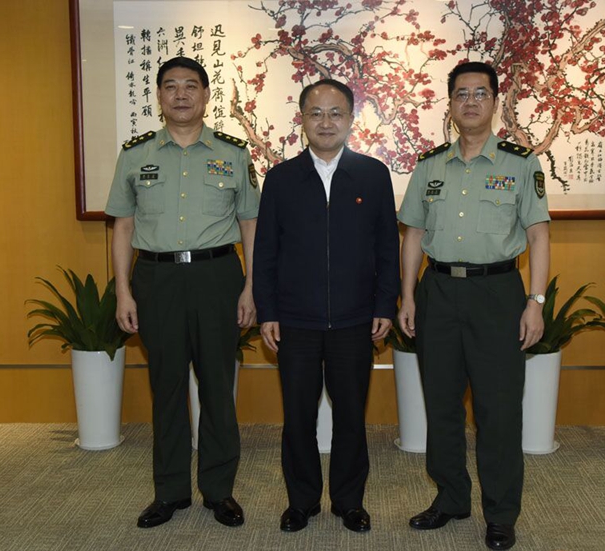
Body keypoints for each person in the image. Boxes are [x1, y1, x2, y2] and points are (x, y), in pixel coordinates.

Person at [397, 61, 550, 551]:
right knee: (441, 404)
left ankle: (501, 513)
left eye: (480, 93)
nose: (470, 102)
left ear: (496, 102)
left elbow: (538, 235)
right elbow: (413, 234)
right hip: (438, 292)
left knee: (498, 409)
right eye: (461, 93)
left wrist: (536, 302)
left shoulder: (520, 163)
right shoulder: (429, 166)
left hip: (497, 294)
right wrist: (407, 295)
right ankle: (450, 498)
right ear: (450, 103)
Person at [105, 56, 259, 530]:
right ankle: (169, 492)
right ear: (159, 96)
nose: (181, 95)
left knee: (217, 387)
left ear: (206, 95)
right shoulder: (135, 155)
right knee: (167, 388)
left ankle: (219, 490)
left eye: (190, 86)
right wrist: (123, 292)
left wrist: (251, 287)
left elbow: (250, 225)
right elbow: (122, 226)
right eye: (170, 86)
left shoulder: (234, 153)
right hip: (158, 280)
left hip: (217, 277)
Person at [253, 79, 400, 533]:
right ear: (302, 120)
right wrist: (268, 311)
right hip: (295, 321)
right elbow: (266, 252)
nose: (326, 122)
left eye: (336, 113)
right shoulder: (281, 179)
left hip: (355, 320)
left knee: (351, 415)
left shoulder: (373, 174)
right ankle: (301, 502)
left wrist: (385, 304)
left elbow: (386, 248)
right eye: (316, 113)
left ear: (351, 119)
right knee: (298, 416)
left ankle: (349, 501)